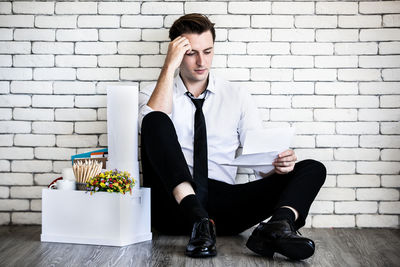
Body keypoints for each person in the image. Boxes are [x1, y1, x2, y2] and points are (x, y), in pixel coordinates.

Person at [139, 13, 326, 260]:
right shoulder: (153, 94)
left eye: (207, 51)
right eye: (191, 53)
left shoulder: (236, 95)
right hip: (174, 207)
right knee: (155, 119)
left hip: (223, 205)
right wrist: (168, 66)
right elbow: (151, 128)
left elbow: (260, 166)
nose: (201, 61)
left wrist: (280, 166)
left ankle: (277, 228)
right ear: (176, 53)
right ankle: (199, 220)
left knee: (312, 168)